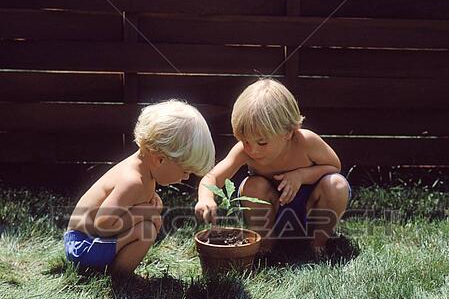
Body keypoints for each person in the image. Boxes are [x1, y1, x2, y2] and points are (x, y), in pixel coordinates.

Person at [195, 79, 350, 259]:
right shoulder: (244, 152)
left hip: (311, 211)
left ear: (288, 133)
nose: (252, 150)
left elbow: (334, 167)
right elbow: (213, 177)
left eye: (262, 142)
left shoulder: (306, 142)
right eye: (245, 141)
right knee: (252, 186)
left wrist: (301, 175)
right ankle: (266, 246)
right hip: (274, 213)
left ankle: (318, 245)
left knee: (336, 185)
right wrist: (205, 198)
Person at [65, 100, 215, 275]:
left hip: (89, 241)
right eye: (185, 171)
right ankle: (119, 277)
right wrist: (145, 213)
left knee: (145, 226)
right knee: (146, 230)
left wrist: (147, 209)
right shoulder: (132, 181)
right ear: (160, 159)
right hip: (81, 247)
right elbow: (102, 224)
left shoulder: (145, 172)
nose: (186, 177)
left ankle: (114, 271)